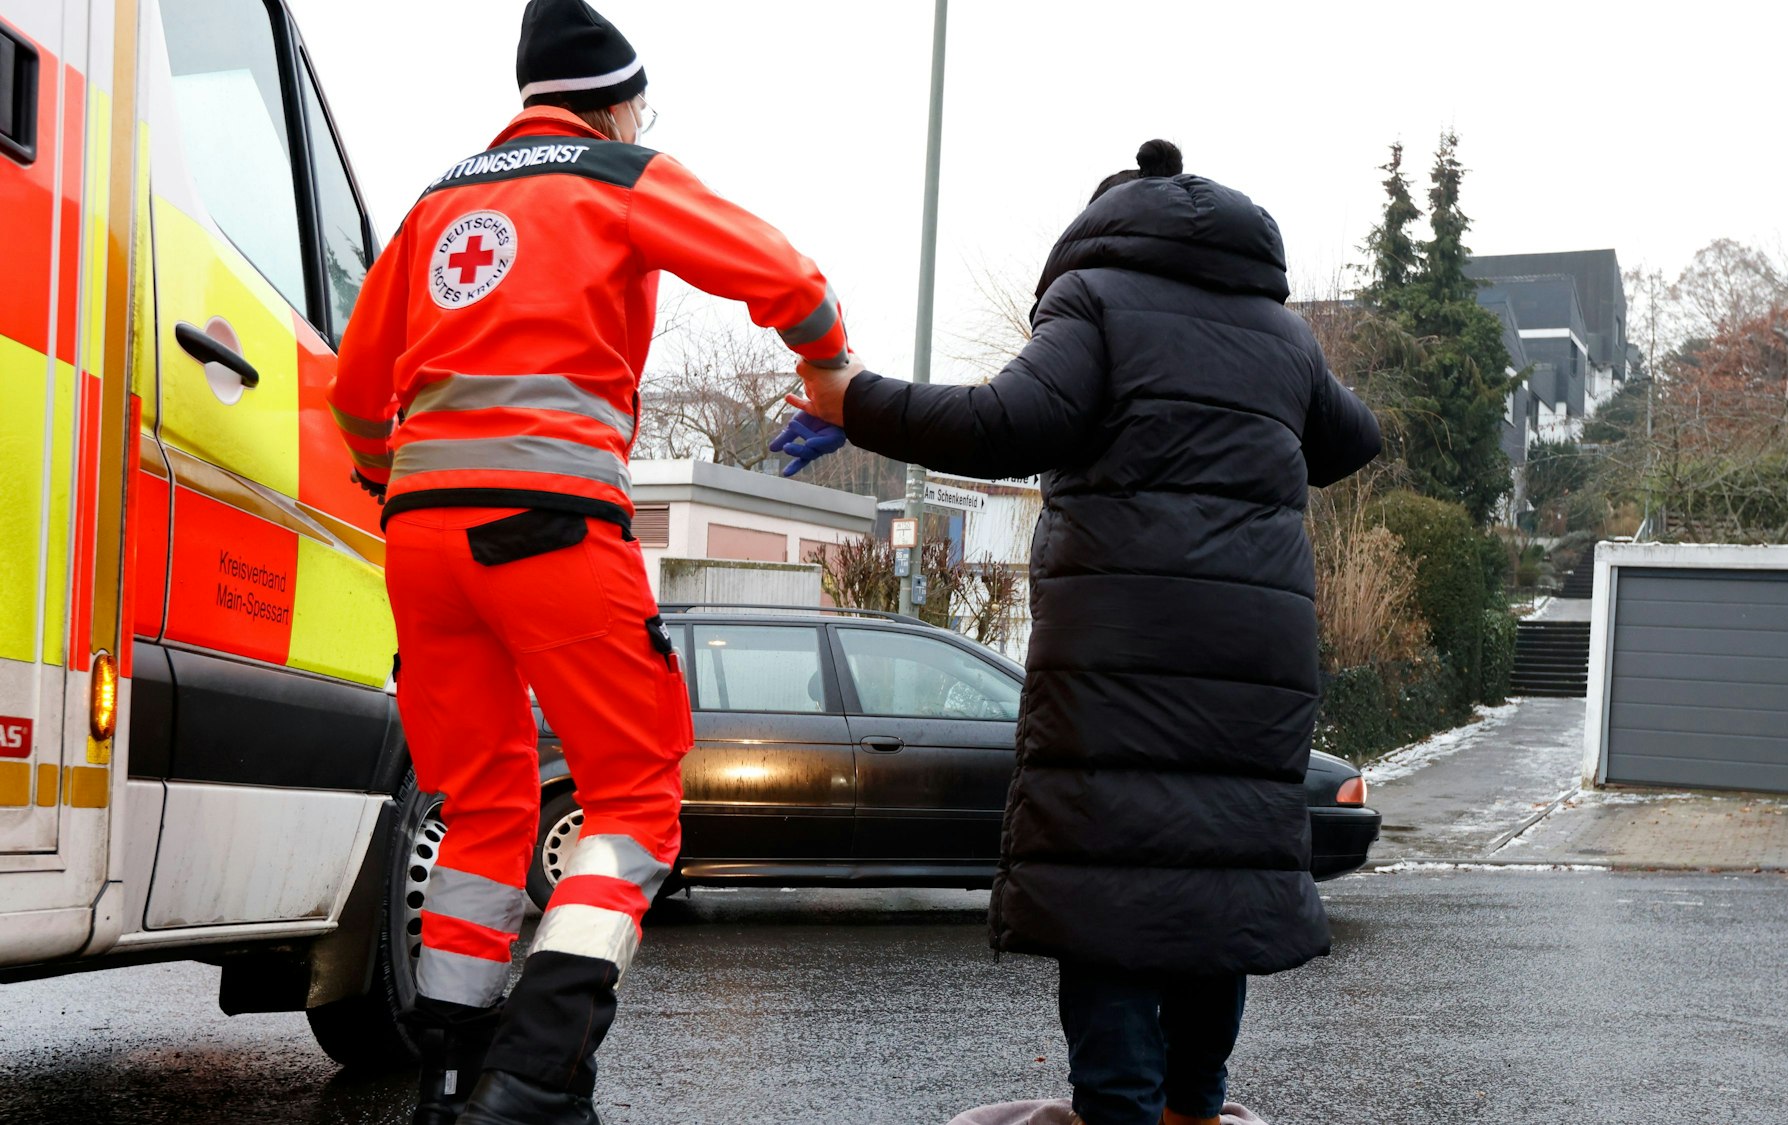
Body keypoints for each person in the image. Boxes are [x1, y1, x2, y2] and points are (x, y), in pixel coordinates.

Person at [328, 2, 852, 1122]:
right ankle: (536, 1072)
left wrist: (395, 480)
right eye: (639, 108)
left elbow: (356, 396)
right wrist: (827, 369)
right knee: (634, 799)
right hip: (551, 527)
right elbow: (788, 278)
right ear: (614, 102)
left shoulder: (436, 203)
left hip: (422, 538)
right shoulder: (616, 173)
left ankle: (452, 1079)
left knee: (480, 807)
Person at [791, 141, 1381, 1125]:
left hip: (1121, 660)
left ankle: (1119, 1107)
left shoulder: (1096, 300)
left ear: (1104, 226)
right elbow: (1351, 438)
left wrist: (853, 398)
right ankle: (1194, 1109)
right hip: (1254, 666)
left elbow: (1002, 422)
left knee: (1110, 896)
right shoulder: (1282, 334)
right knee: (1215, 892)